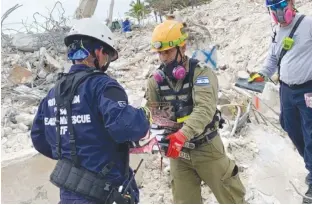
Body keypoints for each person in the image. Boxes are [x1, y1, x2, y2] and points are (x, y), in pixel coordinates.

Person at [30, 18, 151, 204]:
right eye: (108, 55)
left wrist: (72, 154)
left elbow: (39, 138)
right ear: (99, 52)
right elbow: (127, 127)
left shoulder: (54, 93)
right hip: (103, 194)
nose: (107, 61)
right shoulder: (103, 86)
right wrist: (144, 115)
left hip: (69, 193)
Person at [145, 20, 246, 204]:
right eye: (160, 53)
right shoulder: (155, 82)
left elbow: (204, 109)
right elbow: (155, 113)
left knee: (232, 198)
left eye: (167, 51)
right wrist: (161, 135)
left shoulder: (201, 74)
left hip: (206, 147)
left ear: (182, 48)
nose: (163, 58)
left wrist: (182, 134)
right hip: (178, 153)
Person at [249, 0, 312, 203]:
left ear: (291, 3)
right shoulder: (276, 31)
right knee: (290, 127)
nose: (277, 11)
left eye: (281, 5)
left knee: (311, 132)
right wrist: (257, 78)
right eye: (273, 8)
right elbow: (272, 61)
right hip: (286, 90)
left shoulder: (308, 24)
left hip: (308, 89)